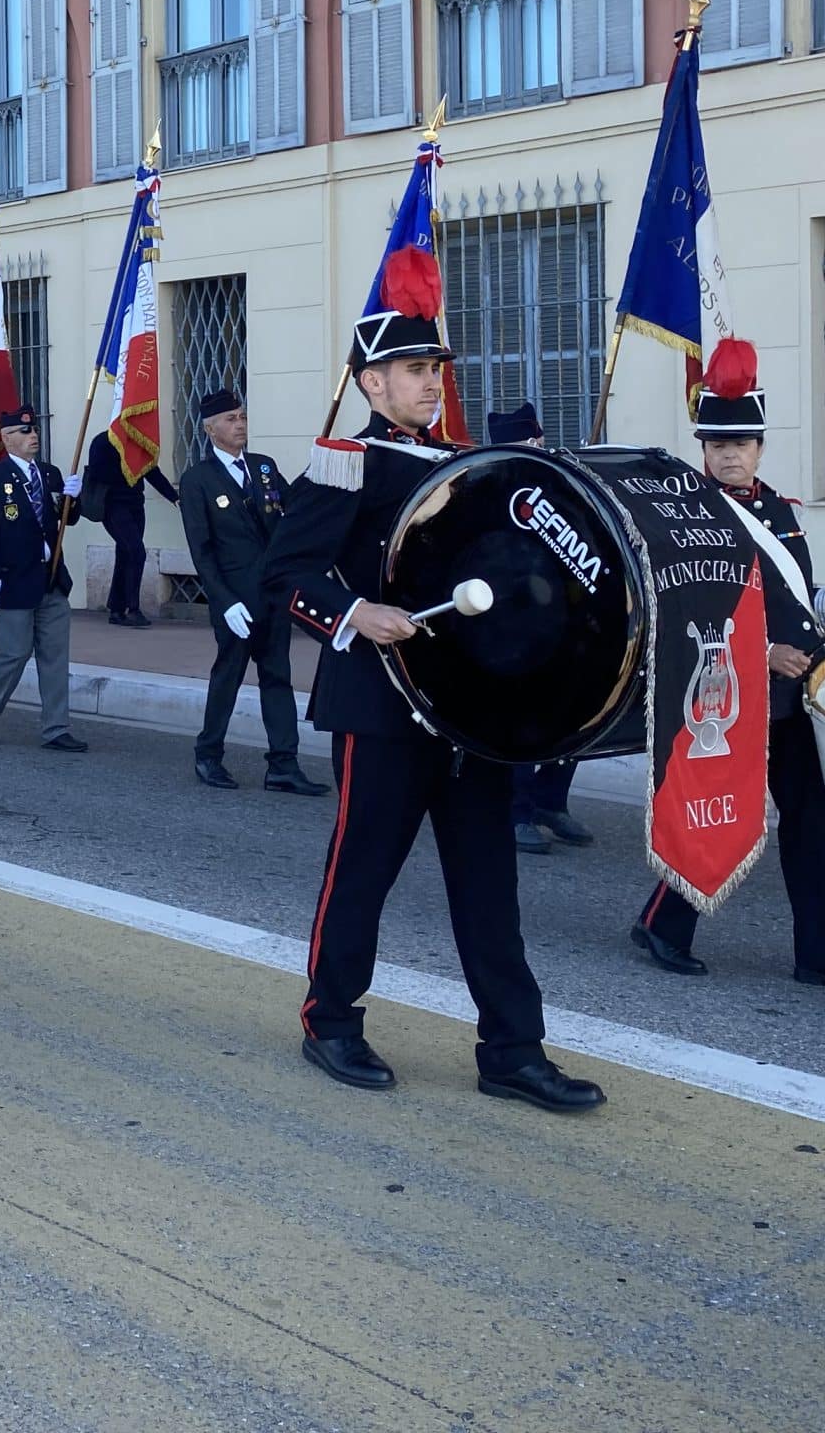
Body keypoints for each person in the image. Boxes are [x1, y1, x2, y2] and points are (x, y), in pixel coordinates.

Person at [258, 273, 602, 1113]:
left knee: (489, 886)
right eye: (412, 368)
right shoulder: (348, 465)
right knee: (363, 873)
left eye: (434, 367)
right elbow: (284, 575)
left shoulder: (470, 468)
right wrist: (355, 612)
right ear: (372, 383)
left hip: (468, 712)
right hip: (377, 707)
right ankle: (330, 1021)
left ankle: (513, 1052)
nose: (429, 380)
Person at [629, 349, 825, 992]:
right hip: (721, 694)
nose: (730, 454)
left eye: (742, 442)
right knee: (715, 813)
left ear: (760, 447)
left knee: (806, 820)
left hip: (784, 697)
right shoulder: (683, 514)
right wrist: (760, 653)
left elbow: (796, 602)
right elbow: (681, 612)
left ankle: (824, 955)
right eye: (717, 442)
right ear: (703, 447)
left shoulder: (778, 510)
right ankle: (665, 926)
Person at [177, 390, 321, 796]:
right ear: (210, 428)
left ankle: (283, 765)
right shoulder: (197, 481)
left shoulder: (263, 468)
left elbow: (293, 510)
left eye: (242, 416)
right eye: (230, 419)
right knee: (229, 676)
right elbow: (202, 553)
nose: (239, 424)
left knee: (278, 677)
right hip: (235, 600)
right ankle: (208, 755)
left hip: (272, 595)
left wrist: (321, 470)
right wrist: (224, 602)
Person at [473, 404, 595, 855]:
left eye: (539, 444)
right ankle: (517, 811)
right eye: (529, 446)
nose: (538, 452)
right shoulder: (482, 491)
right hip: (505, 630)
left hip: (557, 625)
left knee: (574, 716)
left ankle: (550, 801)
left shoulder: (557, 490)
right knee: (523, 724)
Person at [0, 405, 87, 754]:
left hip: (50, 580)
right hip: (12, 580)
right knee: (14, 654)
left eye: (34, 430)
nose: (33, 436)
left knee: (55, 657)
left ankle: (56, 728)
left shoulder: (48, 475)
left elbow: (66, 521)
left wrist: (72, 500)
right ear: (7, 439)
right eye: (25, 432)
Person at [83, 427, 178, 630]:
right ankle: (133, 609)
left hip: (135, 504)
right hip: (112, 505)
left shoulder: (138, 439)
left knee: (126, 553)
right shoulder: (103, 441)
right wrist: (126, 463)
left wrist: (174, 497)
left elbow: (152, 472)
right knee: (137, 552)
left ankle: (117, 609)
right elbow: (98, 472)